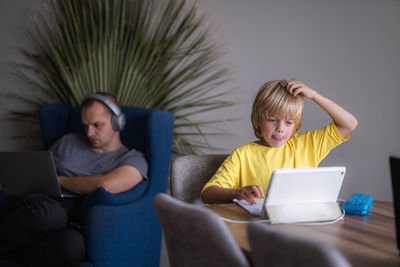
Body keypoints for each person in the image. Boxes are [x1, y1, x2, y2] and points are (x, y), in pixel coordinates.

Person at [0, 92, 148, 266]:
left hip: (74, 221)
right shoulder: (68, 141)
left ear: (117, 122)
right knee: (51, 214)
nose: (89, 133)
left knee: (73, 246)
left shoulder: (132, 159)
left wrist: (61, 181)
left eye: (96, 125)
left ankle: (12, 257)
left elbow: (106, 185)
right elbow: (39, 171)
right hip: (42, 205)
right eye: (85, 126)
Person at [201, 80, 358, 205]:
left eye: (288, 122)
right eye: (272, 120)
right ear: (259, 120)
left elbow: (349, 123)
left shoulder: (307, 145)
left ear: (296, 125)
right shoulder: (243, 154)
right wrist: (237, 192)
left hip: (302, 225)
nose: (280, 129)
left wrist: (315, 96)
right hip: (259, 228)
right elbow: (208, 193)